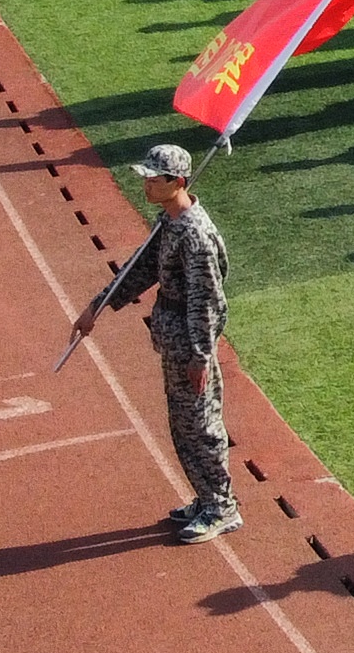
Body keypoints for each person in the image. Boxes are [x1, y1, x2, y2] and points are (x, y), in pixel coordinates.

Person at [67, 144, 239, 542]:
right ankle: (207, 496)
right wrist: (97, 306)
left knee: (201, 426)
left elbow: (207, 303)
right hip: (174, 339)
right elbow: (141, 267)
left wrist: (200, 356)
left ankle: (221, 507)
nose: (145, 185)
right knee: (183, 423)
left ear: (177, 182)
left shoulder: (195, 236)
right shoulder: (169, 222)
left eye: (153, 179)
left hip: (189, 345)